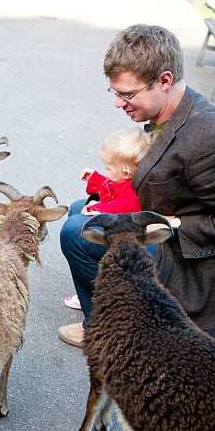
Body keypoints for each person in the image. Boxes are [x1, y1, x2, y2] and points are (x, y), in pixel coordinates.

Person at [57, 23, 215, 348]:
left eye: (127, 94)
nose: (118, 103)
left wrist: (174, 225)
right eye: (116, 92)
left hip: (186, 259)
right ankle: (113, 310)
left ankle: (107, 327)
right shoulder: (172, 114)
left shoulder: (214, 138)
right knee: (81, 208)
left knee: (74, 234)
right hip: (162, 221)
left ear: (164, 80)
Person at [63, 126, 150, 311]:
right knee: (77, 210)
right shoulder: (123, 180)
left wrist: (98, 209)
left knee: (78, 228)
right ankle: (87, 290)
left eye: (108, 168)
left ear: (126, 172)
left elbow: (123, 207)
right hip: (118, 230)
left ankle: (99, 295)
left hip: (125, 235)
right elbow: (109, 186)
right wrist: (94, 178)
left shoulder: (131, 191)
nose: (106, 170)